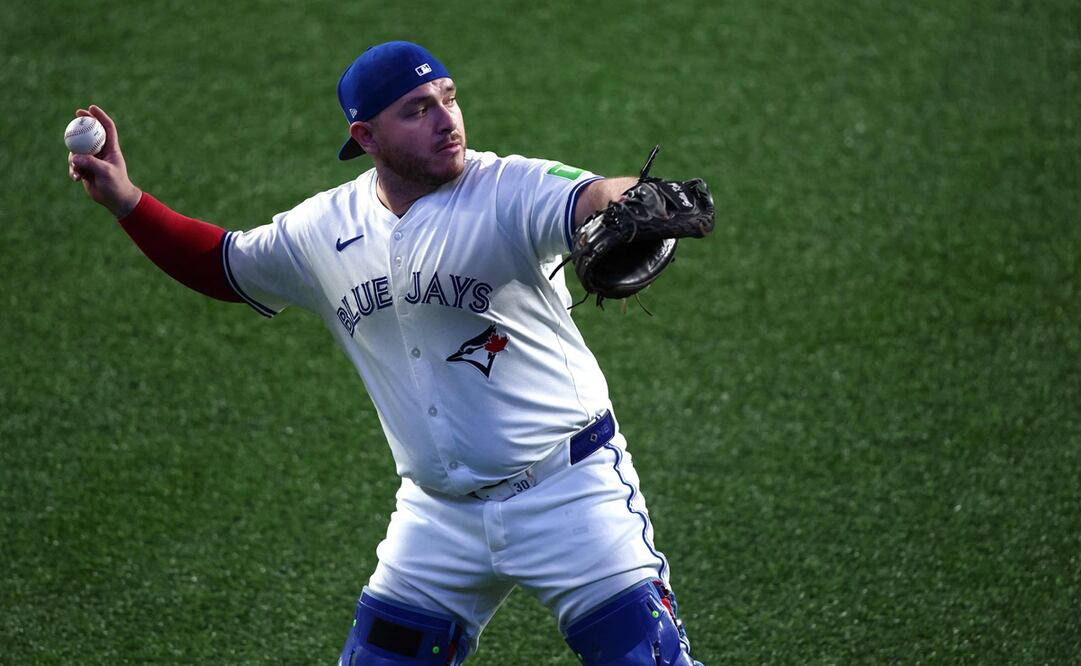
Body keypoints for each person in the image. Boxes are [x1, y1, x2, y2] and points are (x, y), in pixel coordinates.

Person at [69, 40, 705, 665]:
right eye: (417, 109)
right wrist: (127, 201)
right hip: (438, 518)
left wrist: (629, 200)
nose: (446, 120)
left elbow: (587, 195)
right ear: (366, 136)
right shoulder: (323, 229)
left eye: (448, 98)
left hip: (568, 494)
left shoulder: (508, 188)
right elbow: (222, 264)